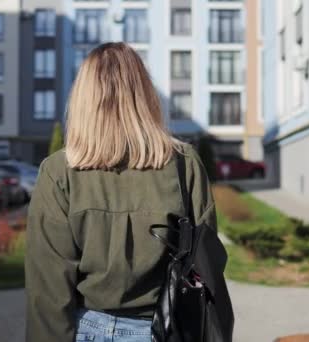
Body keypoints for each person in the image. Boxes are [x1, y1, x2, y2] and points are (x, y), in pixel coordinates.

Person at [25, 42, 217, 341]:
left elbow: (48, 290)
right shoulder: (183, 163)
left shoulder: (59, 171)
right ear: (144, 95)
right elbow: (207, 265)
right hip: (166, 329)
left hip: (87, 329)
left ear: (83, 99)